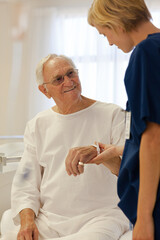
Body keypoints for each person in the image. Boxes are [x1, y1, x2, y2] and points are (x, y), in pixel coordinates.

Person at [0, 54, 129, 240]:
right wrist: (27, 222)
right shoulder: (38, 124)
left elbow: (127, 173)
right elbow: (26, 182)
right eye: (58, 79)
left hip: (102, 216)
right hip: (51, 219)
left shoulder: (113, 114)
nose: (69, 82)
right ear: (45, 90)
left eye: (71, 73)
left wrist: (100, 154)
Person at [85, 0, 160, 239]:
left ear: (116, 22)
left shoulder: (146, 53)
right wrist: (123, 150)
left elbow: (153, 138)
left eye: (104, 33)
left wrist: (145, 217)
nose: (109, 42)